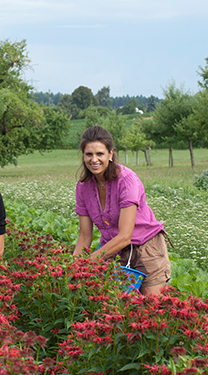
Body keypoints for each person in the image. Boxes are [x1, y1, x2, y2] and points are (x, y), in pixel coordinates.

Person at [73, 125, 171, 295]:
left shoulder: (126, 180)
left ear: (110, 154)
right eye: (89, 154)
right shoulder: (83, 187)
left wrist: (89, 262)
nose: (94, 159)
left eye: (100, 154)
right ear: (83, 156)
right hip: (114, 251)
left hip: (146, 249)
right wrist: (72, 268)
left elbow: (125, 236)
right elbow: (85, 236)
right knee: (117, 309)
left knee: (151, 310)